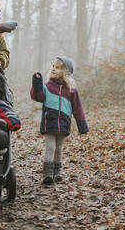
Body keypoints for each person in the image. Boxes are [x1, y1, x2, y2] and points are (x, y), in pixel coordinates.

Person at [30, 56, 89, 185]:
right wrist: (37, 83)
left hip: (64, 123)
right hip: (49, 121)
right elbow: (37, 96)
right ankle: (47, 174)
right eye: (53, 67)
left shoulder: (71, 89)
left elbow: (77, 107)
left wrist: (82, 125)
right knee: (50, 147)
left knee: (59, 148)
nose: (54, 69)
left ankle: (57, 172)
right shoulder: (47, 86)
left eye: (58, 68)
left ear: (66, 72)